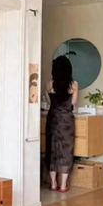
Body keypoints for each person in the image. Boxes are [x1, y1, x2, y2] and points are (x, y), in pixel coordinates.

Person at [44, 55, 78, 193]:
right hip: (66, 120)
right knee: (66, 150)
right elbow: (73, 103)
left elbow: (48, 101)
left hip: (53, 118)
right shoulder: (73, 85)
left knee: (51, 149)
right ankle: (63, 185)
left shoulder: (48, 84)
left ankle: (53, 183)